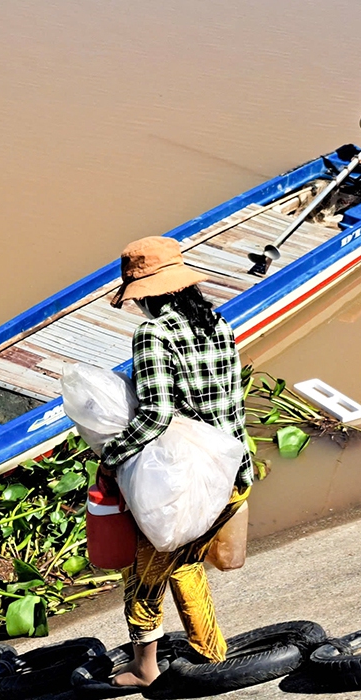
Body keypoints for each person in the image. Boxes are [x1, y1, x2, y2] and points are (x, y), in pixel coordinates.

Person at [99, 235, 254, 687]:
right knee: (183, 561)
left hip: (190, 484)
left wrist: (111, 457)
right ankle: (209, 651)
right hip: (234, 473)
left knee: (144, 572)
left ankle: (145, 668)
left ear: (145, 292)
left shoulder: (153, 333)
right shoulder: (218, 323)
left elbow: (155, 415)